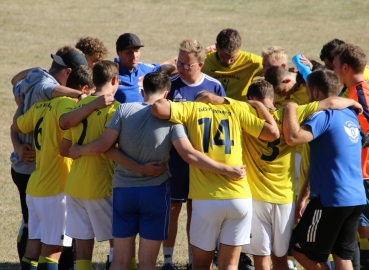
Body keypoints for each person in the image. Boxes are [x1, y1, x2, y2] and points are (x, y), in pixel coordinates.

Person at [68, 71, 246, 270]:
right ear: (166, 96)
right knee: (147, 263)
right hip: (155, 191)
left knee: (119, 260)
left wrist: (78, 150)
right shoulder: (171, 119)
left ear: (143, 91)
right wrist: (227, 170)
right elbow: (189, 155)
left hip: (123, 190)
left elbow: (104, 147)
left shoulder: (123, 110)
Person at [198, 80, 361, 270]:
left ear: (250, 99)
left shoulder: (244, 110)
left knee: (261, 258)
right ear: (273, 99)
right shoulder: (292, 113)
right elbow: (331, 103)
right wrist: (351, 102)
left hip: (258, 197)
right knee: (281, 257)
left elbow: (207, 97)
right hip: (285, 197)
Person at [151, 90, 280, 270]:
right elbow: (273, 133)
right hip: (239, 197)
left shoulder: (192, 108)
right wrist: (257, 105)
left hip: (207, 199)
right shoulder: (236, 107)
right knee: (230, 265)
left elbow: (157, 107)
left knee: (201, 265)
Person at [9, 51, 89, 265]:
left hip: (33, 178)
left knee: (33, 236)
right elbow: (51, 90)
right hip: (53, 184)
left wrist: (17, 144)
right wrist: (84, 99)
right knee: (53, 246)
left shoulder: (35, 82)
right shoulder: (60, 99)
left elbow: (16, 123)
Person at [284, 69, 366, 270]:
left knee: (300, 250)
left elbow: (293, 138)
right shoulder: (349, 114)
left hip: (331, 200)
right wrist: (303, 196)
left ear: (315, 94)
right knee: (342, 255)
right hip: (356, 198)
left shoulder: (323, 116)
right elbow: (321, 161)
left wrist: (290, 108)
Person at [162, 39, 225, 270]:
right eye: (179, 62)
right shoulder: (170, 85)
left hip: (202, 161)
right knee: (172, 210)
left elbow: (222, 122)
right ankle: (168, 260)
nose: (181, 67)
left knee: (196, 212)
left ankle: (191, 260)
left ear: (200, 64)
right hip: (175, 159)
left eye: (187, 64)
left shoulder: (214, 87)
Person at [59, 60, 120, 270]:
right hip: (102, 185)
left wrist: (78, 150)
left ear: (93, 80)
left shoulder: (79, 107)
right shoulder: (116, 109)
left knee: (83, 246)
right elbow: (110, 147)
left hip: (75, 186)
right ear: (115, 80)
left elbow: (64, 149)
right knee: (119, 243)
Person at [332, 43, 369, 269]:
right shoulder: (353, 92)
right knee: (356, 230)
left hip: (364, 173)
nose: (333, 70)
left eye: (335, 66)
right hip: (359, 174)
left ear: (345, 67)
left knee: (361, 229)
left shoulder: (360, 93)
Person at [201, 28, 263, 101]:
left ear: (239, 48)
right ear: (216, 47)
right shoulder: (204, 61)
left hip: (239, 110)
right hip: (211, 109)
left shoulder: (252, 62)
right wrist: (200, 53)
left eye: (232, 57)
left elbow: (276, 69)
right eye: (223, 57)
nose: (227, 62)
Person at [114, 33, 177, 103]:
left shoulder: (144, 69)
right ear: (119, 53)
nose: (134, 56)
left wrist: (184, 64)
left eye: (136, 51)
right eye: (129, 52)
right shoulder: (111, 72)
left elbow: (171, 64)